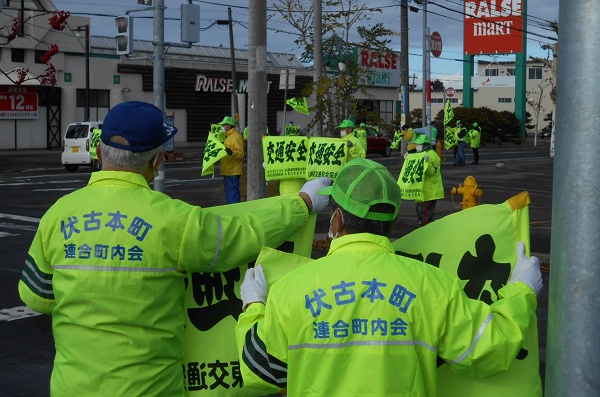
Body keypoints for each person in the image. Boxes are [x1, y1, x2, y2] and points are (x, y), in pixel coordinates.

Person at [17, 100, 331, 397]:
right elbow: (243, 234)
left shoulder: (58, 214)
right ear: (157, 160)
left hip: (71, 389)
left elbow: (37, 296)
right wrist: (302, 203)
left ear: (98, 151)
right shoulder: (173, 219)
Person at [235, 157, 543, 396]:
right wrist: (521, 289)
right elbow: (491, 348)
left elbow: (262, 370)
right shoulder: (433, 285)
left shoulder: (293, 288)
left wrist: (253, 307)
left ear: (337, 220)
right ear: (392, 220)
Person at [405, 133, 444, 226]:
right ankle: (424, 230)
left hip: (430, 191)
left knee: (425, 215)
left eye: (419, 145)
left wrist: (427, 162)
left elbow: (432, 172)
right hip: (423, 191)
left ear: (425, 145)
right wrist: (408, 159)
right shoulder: (421, 154)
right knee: (421, 213)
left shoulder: (432, 155)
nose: (417, 146)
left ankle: (426, 233)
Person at [218, 116, 244, 203]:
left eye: (224, 125)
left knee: (232, 195)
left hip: (232, 170)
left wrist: (231, 152)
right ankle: (232, 211)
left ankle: (235, 213)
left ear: (229, 126)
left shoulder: (236, 137)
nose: (222, 127)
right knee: (230, 194)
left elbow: (240, 154)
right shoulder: (228, 137)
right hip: (228, 170)